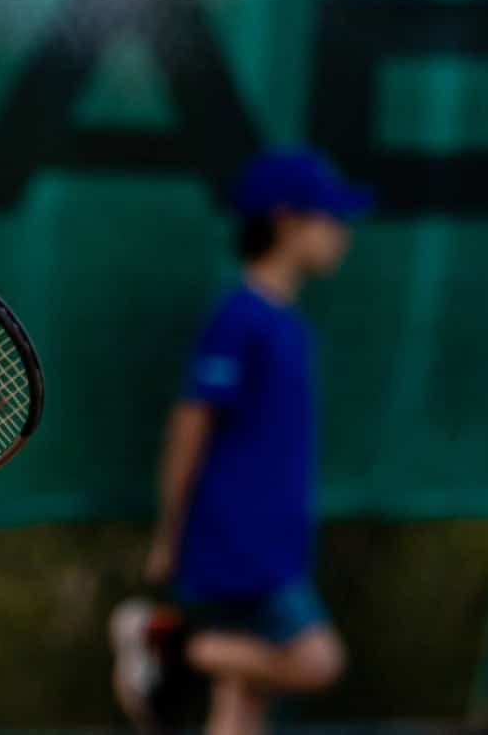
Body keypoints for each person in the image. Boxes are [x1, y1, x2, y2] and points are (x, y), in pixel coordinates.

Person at [111, 148, 371, 735]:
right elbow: (189, 426)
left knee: (243, 697)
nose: (340, 232)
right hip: (241, 539)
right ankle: (168, 644)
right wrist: (170, 533)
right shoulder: (240, 318)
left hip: (275, 537)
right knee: (317, 660)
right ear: (285, 220)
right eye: (328, 216)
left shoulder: (285, 321)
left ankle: (175, 645)